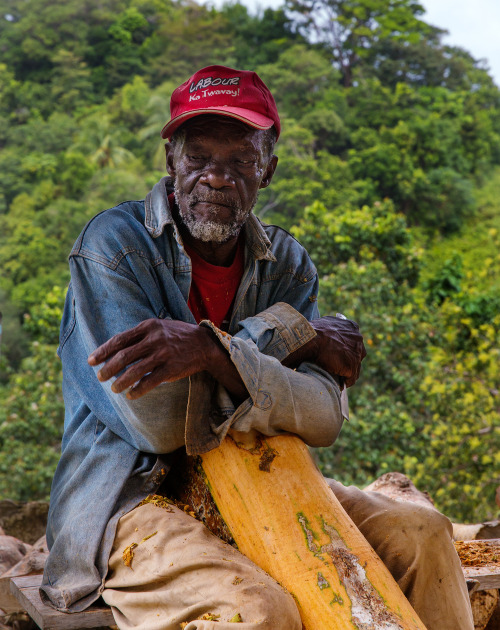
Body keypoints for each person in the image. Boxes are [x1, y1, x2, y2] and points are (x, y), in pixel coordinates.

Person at [42, 65, 473, 630]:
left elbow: (323, 417)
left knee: (424, 536)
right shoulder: (112, 249)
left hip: (265, 479)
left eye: (240, 160)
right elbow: (160, 424)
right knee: (260, 610)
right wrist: (291, 337)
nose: (216, 178)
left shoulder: (287, 264)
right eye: (198, 158)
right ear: (170, 160)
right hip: (128, 500)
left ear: (267, 169)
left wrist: (210, 352)